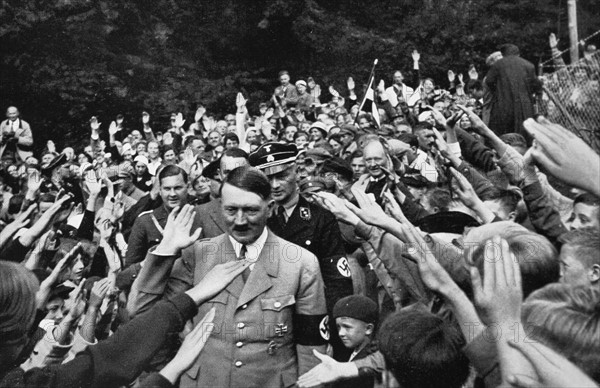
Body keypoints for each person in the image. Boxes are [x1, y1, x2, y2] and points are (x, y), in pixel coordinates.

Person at [128, 167, 328, 387]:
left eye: (251, 210)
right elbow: (141, 309)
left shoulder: (301, 263)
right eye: (231, 210)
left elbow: (312, 348)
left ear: (270, 208)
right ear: (220, 207)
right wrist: (166, 251)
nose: (240, 221)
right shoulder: (198, 254)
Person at [249, 142, 354, 360]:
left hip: (310, 319)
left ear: (296, 171)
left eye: (282, 176)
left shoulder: (320, 218)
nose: (275, 185)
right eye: (268, 178)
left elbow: (338, 282)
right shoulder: (255, 220)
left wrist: (334, 332)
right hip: (268, 321)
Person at [118, 165, 202, 290]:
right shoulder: (146, 222)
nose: (172, 194)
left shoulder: (200, 216)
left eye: (178, 188)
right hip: (157, 291)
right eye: (167, 189)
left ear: (187, 187)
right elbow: (129, 272)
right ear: (160, 190)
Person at [484, 44, 542, 139]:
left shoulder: (498, 65)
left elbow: (489, 81)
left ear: (503, 54)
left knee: (505, 135)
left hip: (503, 105)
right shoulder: (528, 65)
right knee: (525, 133)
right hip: (525, 105)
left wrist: (498, 90)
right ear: (518, 53)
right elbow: (536, 85)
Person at [332, 295, 380, 388]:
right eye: (338, 327)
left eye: (347, 327)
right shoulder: (354, 352)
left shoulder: (369, 364)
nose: (340, 333)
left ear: (368, 328)